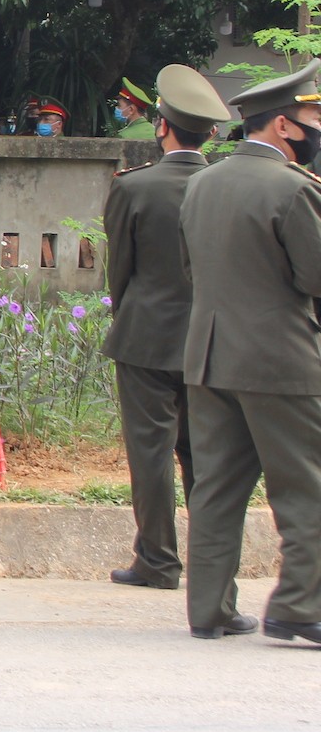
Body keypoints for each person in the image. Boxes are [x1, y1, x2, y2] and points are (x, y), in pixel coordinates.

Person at [178, 60, 321, 646]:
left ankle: (209, 610)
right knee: (307, 487)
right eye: (314, 117)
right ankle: (299, 606)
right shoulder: (293, 190)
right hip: (279, 361)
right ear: (285, 126)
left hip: (209, 358)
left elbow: (193, 270)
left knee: (216, 487)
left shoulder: (202, 182)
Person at [97, 64, 229, 591]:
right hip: (213, 341)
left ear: (161, 126)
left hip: (146, 336)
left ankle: (157, 560)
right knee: (208, 458)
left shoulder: (135, 188)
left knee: (150, 452)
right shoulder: (225, 188)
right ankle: (213, 570)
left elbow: (120, 272)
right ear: (212, 134)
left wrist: (130, 317)